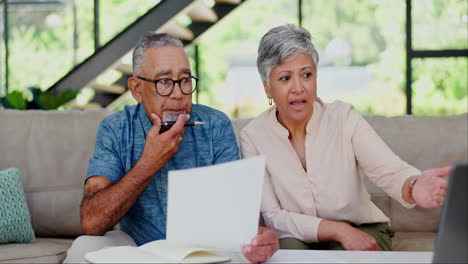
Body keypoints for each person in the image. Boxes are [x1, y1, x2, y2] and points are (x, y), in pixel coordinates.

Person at [64, 33, 278, 263]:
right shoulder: (115, 129)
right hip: (137, 246)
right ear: (137, 89)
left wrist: (257, 238)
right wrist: (149, 162)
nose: (178, 94)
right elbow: (92, 221)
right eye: (164, 82)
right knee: (82, 248)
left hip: (203, 248)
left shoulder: (215, 125)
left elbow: (240, 211)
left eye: (185, 80)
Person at [240, 24, 450, 251]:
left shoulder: (343, 117)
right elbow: (273, 216)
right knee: (287, 252)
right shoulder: (253, 137)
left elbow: (388, 169)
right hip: (295, 235)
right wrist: (337, 230)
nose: (299, 87)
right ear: (267, 89)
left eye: (306, 75)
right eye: (285, 78)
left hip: (360, 226)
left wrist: (414, 185)